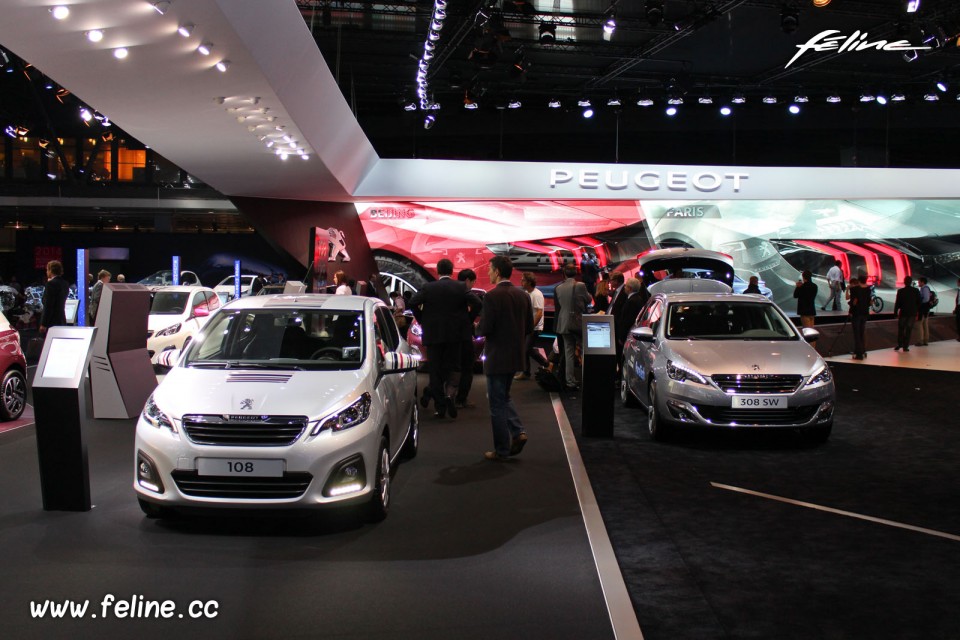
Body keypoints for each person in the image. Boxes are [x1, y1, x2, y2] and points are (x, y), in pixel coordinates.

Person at [476, 256, 533, 461]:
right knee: (503, 397)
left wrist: (476, 329)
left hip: (497, 357)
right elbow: (529, 327)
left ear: (498, 272)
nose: (489, 273)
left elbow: (485, 328)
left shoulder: (492, 297)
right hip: (515, 356)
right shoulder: (523, 296)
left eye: (490, 269)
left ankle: (502, 450)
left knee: (496, 403)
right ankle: (518, 432)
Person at [408, 258, 478, 419]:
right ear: (452, 271)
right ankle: (450, 395)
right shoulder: (460, 286)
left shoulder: (429, 287)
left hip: (434, 336)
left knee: (435, 370)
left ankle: (440, 408)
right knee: (454, 368)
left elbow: (412, 302)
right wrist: (467, 319)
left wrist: (422, 319)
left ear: (438, 271)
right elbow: (477, 303)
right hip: (455, 336)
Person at [554, 263, 593, 392]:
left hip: (564, 322)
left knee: (569, 352)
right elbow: (588, 300)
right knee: (583, 350)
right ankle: (586, 378)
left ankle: (569, 381)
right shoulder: (580, 286)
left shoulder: (558, 288)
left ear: (564, 273)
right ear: (576, 273)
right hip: (578, 322)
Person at [453, 268, 482, 409]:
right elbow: (478, 303)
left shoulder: (448, 291)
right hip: (463, 336)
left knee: (449, 367)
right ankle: (461, 399)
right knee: (467, 368)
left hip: (448, 335)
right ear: (467, 280)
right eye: (473, 281)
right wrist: (469, 320)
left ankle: (446, 395)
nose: (473, 284)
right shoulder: (465, 291)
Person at [516, 271, 549, 381]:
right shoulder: (528, 293)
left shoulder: (536, 294)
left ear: (529, 282)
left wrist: (531, 326)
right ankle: (528, 371)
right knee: (526, 349)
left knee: (526, 349)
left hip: (534, 327)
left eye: (523, 280)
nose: (521, 281)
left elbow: (539, 313)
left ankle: (545, 364)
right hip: (528, 327)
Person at [615, 278, 648, 351]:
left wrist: (622, 337)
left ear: (630, 288)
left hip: (628, 336)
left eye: (626, 286)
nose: (624, 288)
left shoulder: (632, 301)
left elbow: (627, 321)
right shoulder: (637, 299)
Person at [39, 259, 69, 336]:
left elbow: (48, 305)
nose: (46, 272)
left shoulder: (50, 284)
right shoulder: (65, 284)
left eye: (47, 270)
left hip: (51, 322)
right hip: (61, 319)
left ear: (50, 270)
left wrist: (43, 324)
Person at [893, 275, 921, 352]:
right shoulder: (916, 291)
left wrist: (895, 312)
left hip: (903, 313)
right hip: (912, 313)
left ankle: (900, 344)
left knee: (901, 329)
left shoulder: (900, 291)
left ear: (904, 282)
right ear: (911, 282)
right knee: (908, 330)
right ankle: (906, 346)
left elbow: (897, 303)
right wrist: (916, 309)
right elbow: (919, 302)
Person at [847, 277, 871, 360]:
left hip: (856, 313)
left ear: (859, 281)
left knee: (856, 334)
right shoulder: (868, 289)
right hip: (865, 313)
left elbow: (853, 302)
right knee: (861, 332)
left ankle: (859, 353)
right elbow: (869, 302)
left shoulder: (855, 289)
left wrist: (850, 311)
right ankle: (861, 350)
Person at [793, 270, 818, 347]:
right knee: (812, 331)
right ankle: (813, 347)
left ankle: (810, 349)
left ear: (803, 277)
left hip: (804, 312)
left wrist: (797, 287)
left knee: (807, 332)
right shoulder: (815, 286)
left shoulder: (802, 287)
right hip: (811, 311)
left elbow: (795, 295)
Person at [916, 276, 932, 346]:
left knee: (920, 324)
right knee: (925, 324)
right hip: (926, 309)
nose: (918, 283)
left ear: (922, 282)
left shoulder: (924, 289)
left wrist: (920, 302)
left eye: (919, 282)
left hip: (923, 309)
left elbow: (926, 299)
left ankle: (920, 340)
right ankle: (926, 340)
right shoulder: (925, 288)